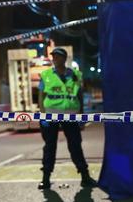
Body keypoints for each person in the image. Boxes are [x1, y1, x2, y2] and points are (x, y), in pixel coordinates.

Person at [38, 47, 97, 189]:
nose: (54, 59)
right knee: (49, 147)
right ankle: (45, 179)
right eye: (53, 56)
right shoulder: (45, 74)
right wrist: (42, 116)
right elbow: (41, 96)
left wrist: (81, 116)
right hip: (51, 115)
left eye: (57, 56)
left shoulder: (75, 75)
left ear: (64, 59)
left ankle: (85, 176)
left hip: (70, 116)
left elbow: (79, 96)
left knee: (76, 145)